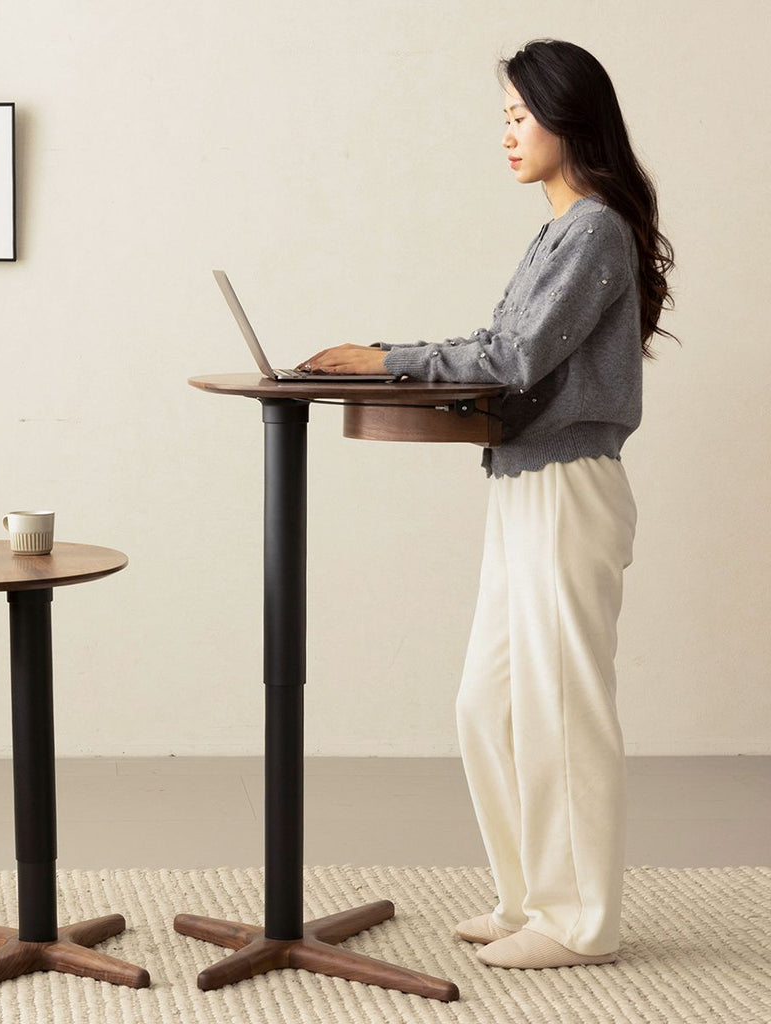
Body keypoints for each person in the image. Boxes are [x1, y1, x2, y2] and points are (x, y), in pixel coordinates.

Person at [300, 39, 675, 970]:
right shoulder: (559, 231)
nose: (506, 134)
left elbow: (513, 360)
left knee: (561, 708)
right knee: (490, 704)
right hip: (522, 481)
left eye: (518, 115)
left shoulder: (593, 230)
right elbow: (503, 342)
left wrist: (384, 361)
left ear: (566, 117)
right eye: (503, 116)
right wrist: (385, 357)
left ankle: (580, 924)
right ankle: (529, 900)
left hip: (568, 487)